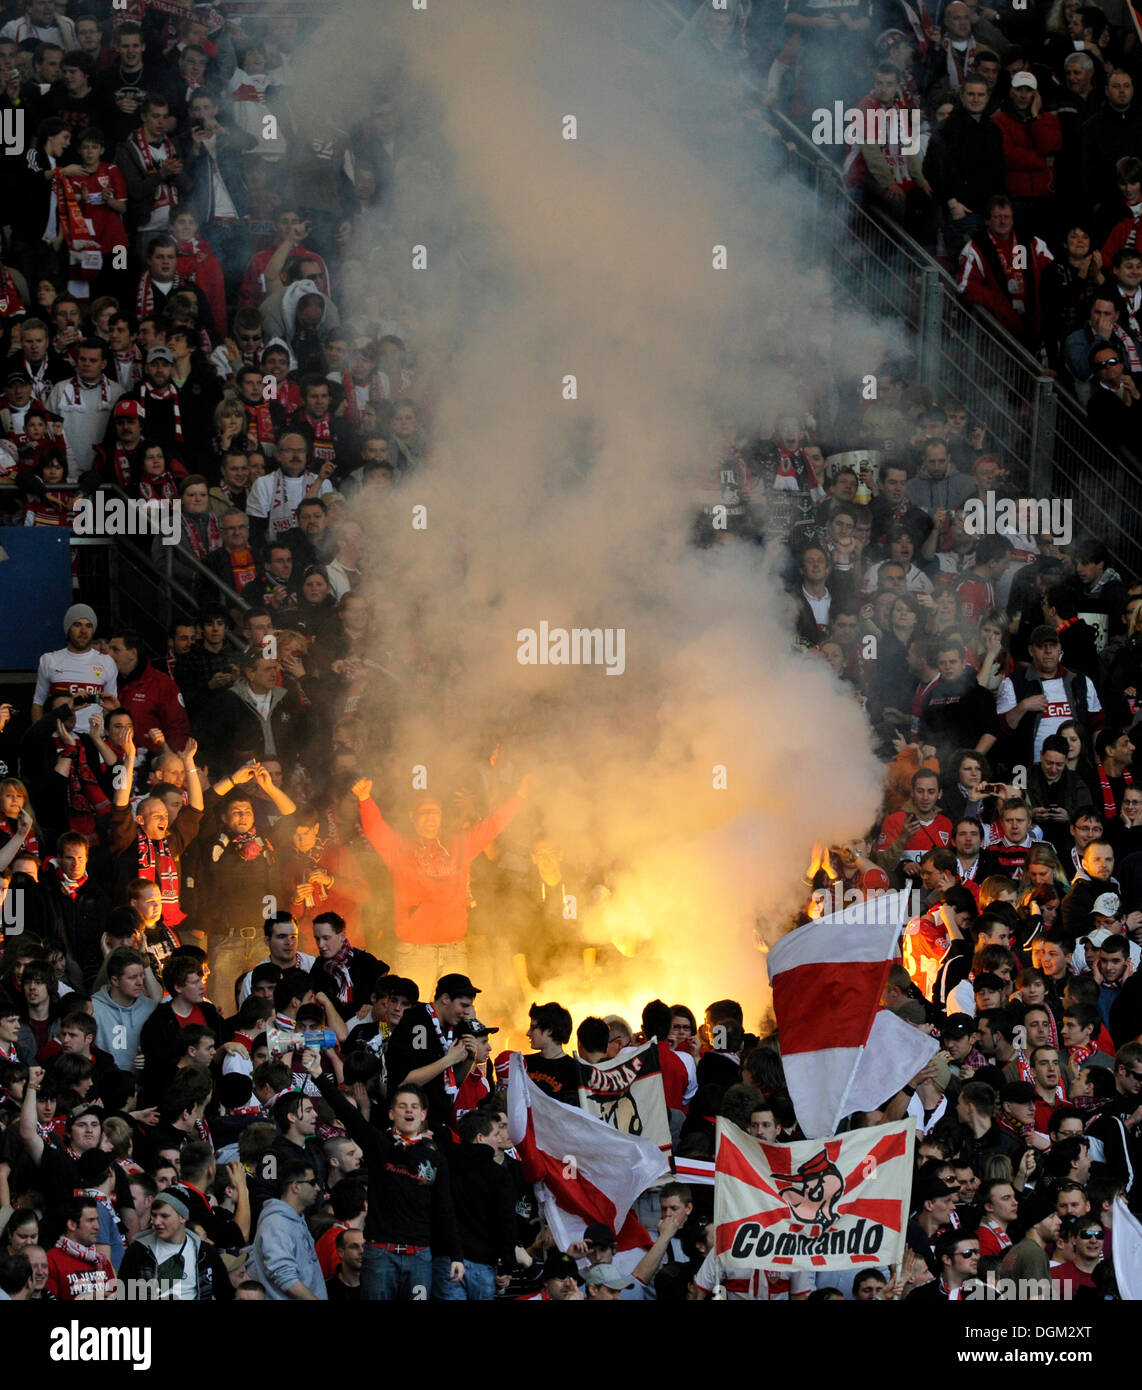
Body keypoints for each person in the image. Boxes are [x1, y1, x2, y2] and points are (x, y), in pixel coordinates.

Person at [305, 1057, 463, 1302]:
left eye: (414, 1106)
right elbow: (348, 1113)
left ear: (423, 1115)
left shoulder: (436, 1159)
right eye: (401, 1106)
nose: (408, 1110)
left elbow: (445, 1209)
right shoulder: (379, 1144)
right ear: (391, 1113)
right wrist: (317, 1072)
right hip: (380, 1255)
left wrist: (456, 1255)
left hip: (420, 1257)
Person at [353, 774, 530, 983]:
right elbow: (376, 829)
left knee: (455, 1013)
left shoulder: (458, 845)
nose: (430, 818)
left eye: (435, 812)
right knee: (415, 1014)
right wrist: (365, 800)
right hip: (414, 952)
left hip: (454, 949)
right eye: (424, 813)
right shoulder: (400, 849)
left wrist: (519, 796)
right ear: (412, 816)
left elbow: (492, 826)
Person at [116, 1190, 233, 1300]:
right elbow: (124, 1295)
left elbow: (225, 1294)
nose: (156, 1222)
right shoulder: (138, 1251)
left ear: (183, 1217)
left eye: (164, 1216)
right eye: (154, 1215)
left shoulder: (205, 1253)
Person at [249, 1156, 326, 1301]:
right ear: (296, 1186)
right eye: (312, 1183)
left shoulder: (296, 1219)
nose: (318, 1188)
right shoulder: (276, 1223)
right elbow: (284, 1276)